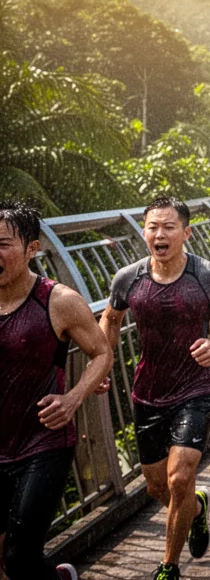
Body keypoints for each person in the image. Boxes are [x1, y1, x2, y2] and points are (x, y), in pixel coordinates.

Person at [99, 197, 210, 580]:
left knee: (179, 477)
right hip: (148, 391)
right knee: (156, 487)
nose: (159, 234)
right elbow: (111, 319)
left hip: (195, 388)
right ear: (144, 231)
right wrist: (102, 362)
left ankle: (169, 566)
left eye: (168, 227)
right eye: (152, 227)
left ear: (186, 232)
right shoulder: (128, 278)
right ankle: (197, 510)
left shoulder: (208, 274)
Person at [0, 200, 113, 580]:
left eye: (3, 245)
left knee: (19, 558)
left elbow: (101, 353)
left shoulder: (58, 300)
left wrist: (73, 398)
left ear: (33, 248)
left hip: (43, 443)